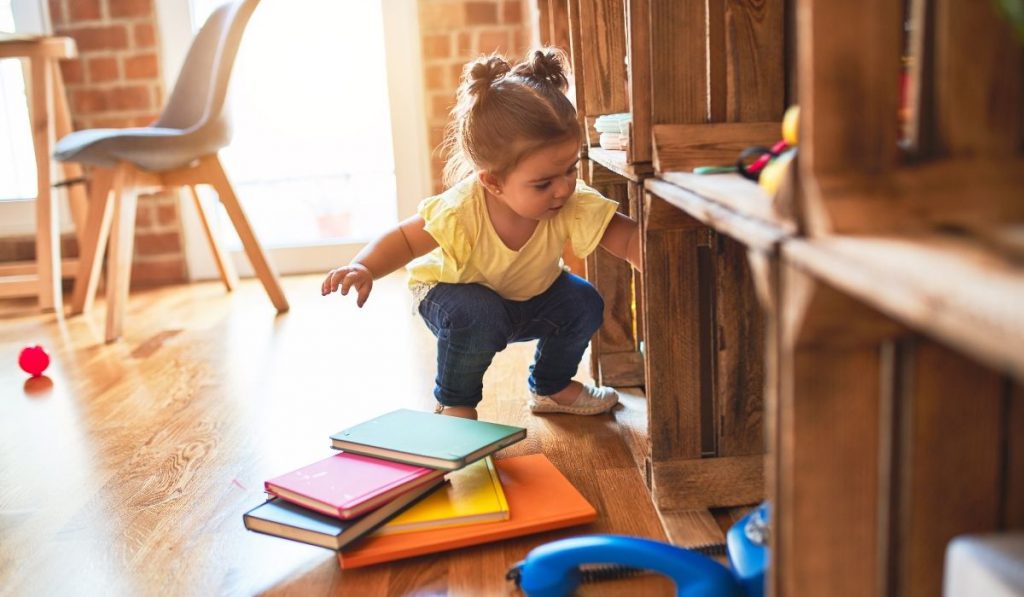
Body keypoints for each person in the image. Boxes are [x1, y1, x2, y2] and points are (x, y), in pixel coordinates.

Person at [321, 48, 641, 420]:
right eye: (543, 183)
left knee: (583, 301)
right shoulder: (462, 210)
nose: (563, 188)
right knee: (479, 313)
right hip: (452, 297)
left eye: (570, 169)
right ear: (492, 182)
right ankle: (456, 403)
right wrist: (364, 268)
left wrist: (651, 257)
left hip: (526, 299)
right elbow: (406, 239)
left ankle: (551, 387)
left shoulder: (571, 201)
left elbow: (624, 235)